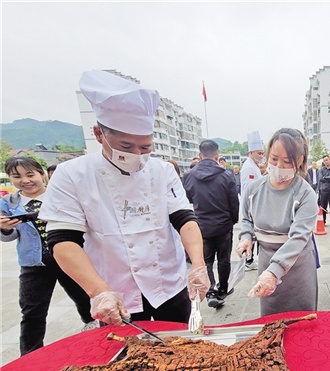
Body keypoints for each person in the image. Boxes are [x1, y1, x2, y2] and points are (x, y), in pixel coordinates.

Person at [38, 70, 211, 326]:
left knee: (180, 342)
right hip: (114, 290)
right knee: (126, 349)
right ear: (99, 134)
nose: (137, 155)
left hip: (168, 284)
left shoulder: (162, 170)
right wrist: (98, 291)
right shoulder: (72, 174)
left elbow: (184, 218)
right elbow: (63, 241)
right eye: (126, 147)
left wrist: (197, 263)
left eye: (145, 147)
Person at [1, 156, 96, 356]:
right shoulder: (8, 203)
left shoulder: (60, 195)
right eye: (17, 177)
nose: (25, 180)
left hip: (69, 260)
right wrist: (5, 228)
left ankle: (99, 340)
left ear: (41, 173)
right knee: (32, 311)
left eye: (30, 174)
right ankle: (30, 355)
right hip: (34, 264)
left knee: (86, 301)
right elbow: (9, 236)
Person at [237, 128, 318, 316]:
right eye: (274, 159)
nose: (279, 166)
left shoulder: (305, 194)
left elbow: (298, 238)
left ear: (299, 161)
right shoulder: (254, 189)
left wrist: (274, 272)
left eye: (287, 161)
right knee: (270, 322)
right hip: (266, 262)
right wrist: (246, 237)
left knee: (301, 322)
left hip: (297, 267)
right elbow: (247, 219)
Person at [183, 139, 239, 309]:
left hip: (202, 225)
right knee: (224, 259)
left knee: (206, 260)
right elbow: (233, 201)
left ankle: (210, 291)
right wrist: (233, 220)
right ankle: (222, 289)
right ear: (217, 155)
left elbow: (189, 199)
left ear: (200, 156)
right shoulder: (226, 175)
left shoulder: (189, 176)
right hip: (223, 224)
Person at [240, 130, 265, 271]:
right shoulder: (249, 167)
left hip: (256, 207)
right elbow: (251, 191)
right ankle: (248, 261)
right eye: (259, 153)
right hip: (252, 208)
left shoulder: (254, 166)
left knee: (254, 236)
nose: (261, 156)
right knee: (250, 235)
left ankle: (249, 259)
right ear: (251, 152)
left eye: (262, 153)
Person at [318, 155, 330, 226]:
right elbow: (321, 179)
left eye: (327, 160)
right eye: (324, 160)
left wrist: (325, 178)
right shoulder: (321, 170)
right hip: (323, 190)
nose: (326, 162)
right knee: (323, 206)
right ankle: (323, 221)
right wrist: (329, 178)